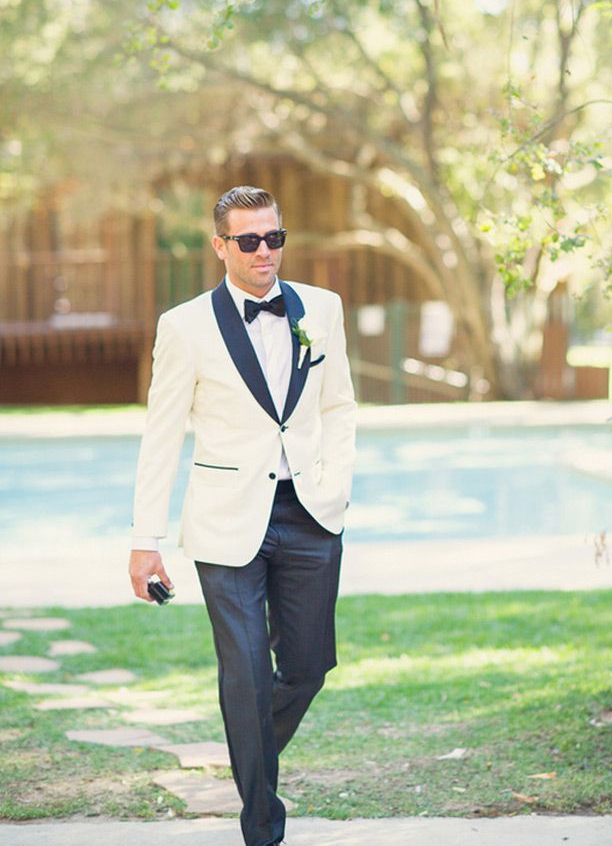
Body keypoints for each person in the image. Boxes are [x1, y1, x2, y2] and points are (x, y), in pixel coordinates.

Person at [128, 185, 357, 846]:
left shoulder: (323, 309)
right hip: (225, 521)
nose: (265, 252)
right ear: (220, 246)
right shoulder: (184, 326)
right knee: (248, 673)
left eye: (274, 238)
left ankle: (247, 743)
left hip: (311, 512)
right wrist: (147, 542)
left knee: (309, 668)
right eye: (249, 241)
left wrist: (335, 482)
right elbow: (161, 436)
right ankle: (262, 826)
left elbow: (337, 405)